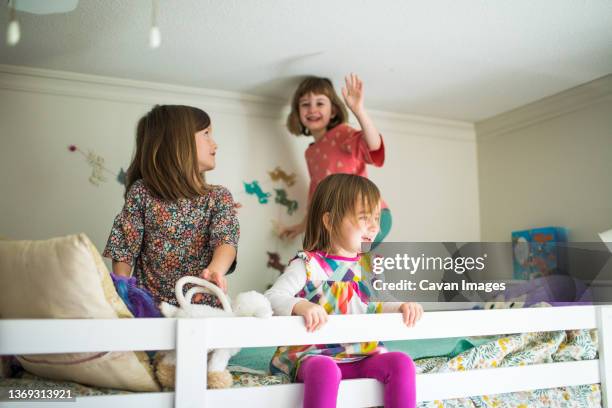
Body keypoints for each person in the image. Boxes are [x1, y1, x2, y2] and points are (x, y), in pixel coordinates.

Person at [266, 174, 422, 408]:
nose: (374, 226)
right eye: (364, 217)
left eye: (377, 218)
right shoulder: (308, 264)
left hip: (361, 354)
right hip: (313, 356)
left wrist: (401, 306)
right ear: (329, 221)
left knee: (401, 363)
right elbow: (272, 297)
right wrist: (301, 305)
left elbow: (380, 303)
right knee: (325, 369)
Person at [103, 105, 239, 307]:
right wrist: (123, 295)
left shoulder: (218, 197)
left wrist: (213, 273)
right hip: (151, 310)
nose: (215, 144)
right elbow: (124, 248)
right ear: (179, 141)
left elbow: (226, 241)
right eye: (206, 134)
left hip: (201, 306)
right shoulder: (142, 193)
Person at [279, 74, 391, 246]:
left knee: (346, 259)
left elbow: (374, 147)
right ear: (297, 112)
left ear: (333, 111)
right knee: (333, 257)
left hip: (371, 216)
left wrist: (359, 110)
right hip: (345, 220)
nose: (312, 109)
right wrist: (302, 225)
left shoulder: (341, 133)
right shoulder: (311, 153)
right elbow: (317, 193)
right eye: (305, 104)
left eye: (320, 103)